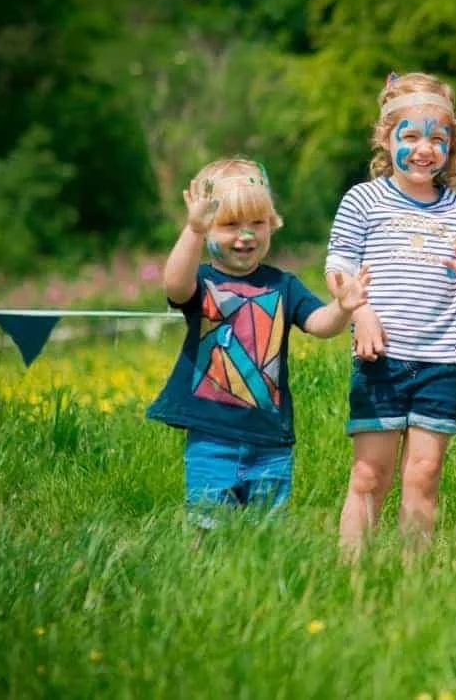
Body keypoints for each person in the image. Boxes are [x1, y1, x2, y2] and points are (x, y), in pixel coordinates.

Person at [148, 157, 369, 531]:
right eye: (230, 225)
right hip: (211, 438)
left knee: (266, 536)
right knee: (206, 529)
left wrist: (342, 307)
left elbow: (319, 325)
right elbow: (174, 285)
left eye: (257, 223)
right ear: (209, 231)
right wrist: (192, 231)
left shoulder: (283, 285)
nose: (245, 236)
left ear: (272, 224)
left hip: (270, 441)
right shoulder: (201, 282)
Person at [326, 72, 456, 556]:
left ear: (451, 146)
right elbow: (338, 267)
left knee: (424, 473)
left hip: (440, 360)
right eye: (412, 136)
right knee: (369, 473)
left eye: (438, 138)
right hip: (381, 359)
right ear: (386, 138)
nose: (425, 149)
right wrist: (361, 315)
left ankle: (412, 579)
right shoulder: (363, 200)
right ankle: (351, 572)